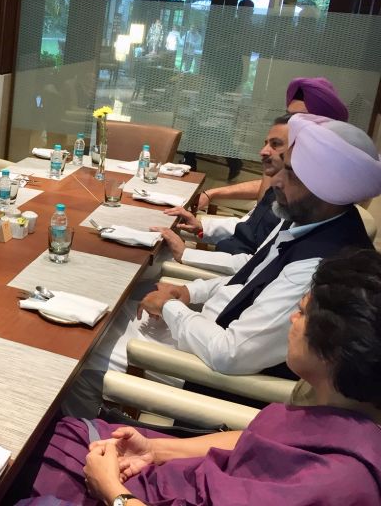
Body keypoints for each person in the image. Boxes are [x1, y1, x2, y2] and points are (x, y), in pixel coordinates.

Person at [63, 114, 381, 418]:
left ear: (327, 190)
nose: (276, 180)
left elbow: (230, 354)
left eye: (292, 175)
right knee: (95, 311)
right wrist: (190, 291)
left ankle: (84, 449)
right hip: (200, 329)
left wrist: (172, 308)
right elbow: (250, 274)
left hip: (205, 371)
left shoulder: (317, 268)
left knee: (74, 359)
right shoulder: (311, 219)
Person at [22, 250, 381, 506]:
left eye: (301, 313)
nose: (291, 321)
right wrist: (157, 450)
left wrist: (113, 492)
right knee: (45, 433)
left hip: (135, 495)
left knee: (16, 472)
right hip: (174, 477)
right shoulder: (329, 404)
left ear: (335, 351)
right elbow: (256, 441)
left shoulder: (340, 483)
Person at [154, 115, 289, 275]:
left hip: (231, 276)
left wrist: (186, 254)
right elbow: (249, 226)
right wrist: (202, 226)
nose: (263, 152)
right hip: (226, 256)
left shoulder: (300, 209)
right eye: (266, 144)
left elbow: (258, 264)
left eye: (275, 145)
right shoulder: (277, 191)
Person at [198, 76, 348, 211]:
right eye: (289, 116)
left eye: (301, 119)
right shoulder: (282, 153)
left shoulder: (323, 178)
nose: (291, 123)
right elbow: (267, 189)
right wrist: (212, 193)